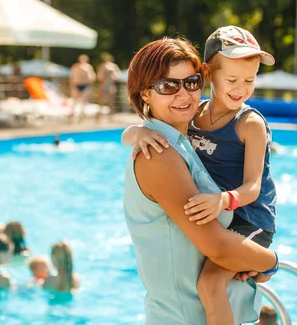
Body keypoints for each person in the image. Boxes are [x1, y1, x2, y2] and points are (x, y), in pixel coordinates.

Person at [123, 26, 278, 323]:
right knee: (210, 283)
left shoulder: (188, 138)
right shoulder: (160, 152)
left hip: (251, 219)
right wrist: (270, 264)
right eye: (168, 86)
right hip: (184, 316)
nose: (183, 94)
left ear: (200, 79)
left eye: (190, 82)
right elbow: (217, 246)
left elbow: (253, 186)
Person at [69, 54, 96, 120]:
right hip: (77, 85)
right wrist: (73, 86)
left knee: (83, 101)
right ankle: (72, 114)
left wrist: (89, 84)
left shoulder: (88, 67)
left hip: (85, 85)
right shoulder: (75, 66)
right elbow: (72, 77)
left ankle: (81, 115)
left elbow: (92, 77)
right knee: (75, 101)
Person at [96, 53, 121, 120]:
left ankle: (111, 117)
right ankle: (100, 116)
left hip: (110, 85)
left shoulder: (114, 67)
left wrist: (111, 73)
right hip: (104, 84)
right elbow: (99, 77)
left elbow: (117, 76)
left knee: (111, 101)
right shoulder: (102, 66)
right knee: (101, 101)